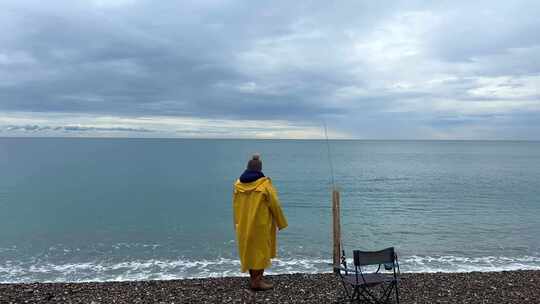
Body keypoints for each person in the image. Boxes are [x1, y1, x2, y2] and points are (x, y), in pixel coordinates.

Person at [233, 154, 288, 291]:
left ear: (247, 168)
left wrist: (237, 222)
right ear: (260, 169)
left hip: (244, 223)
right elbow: (275, 205)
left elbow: (235, 205)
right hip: (260, 224)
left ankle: (253, 279)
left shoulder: (238, 185)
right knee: (261, 252)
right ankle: (257, 282)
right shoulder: (264, 185)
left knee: (249, 251)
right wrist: (281, 222)